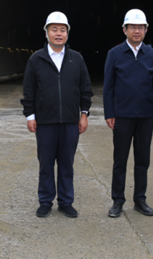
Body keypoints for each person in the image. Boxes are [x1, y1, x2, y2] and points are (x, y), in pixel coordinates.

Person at [21, 12, 93, 218]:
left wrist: (84, 113)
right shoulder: (36, 59)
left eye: (62, 30)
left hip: (70, 121)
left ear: (67, 33)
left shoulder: (76, 59)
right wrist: (30, 116)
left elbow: (85, 89)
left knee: (66, 164)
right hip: (45, 122)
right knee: (45, 164)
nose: (58, 33)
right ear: (46, 33)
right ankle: (45, 201)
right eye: (54, 29)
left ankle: (65, 201)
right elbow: (29, 90)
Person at [104, 9, 153, 218]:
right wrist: (109, 113)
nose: (137, 31)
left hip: (145, 116)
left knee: (142, 160)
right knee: (120, 160)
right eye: (133, 27)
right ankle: (117, 200)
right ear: (124, 29)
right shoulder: (115, 54)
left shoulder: (152, 55)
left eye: (140, 27)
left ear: (146, 30)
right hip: (122, 115)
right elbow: (108, 86)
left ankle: (140, 199)